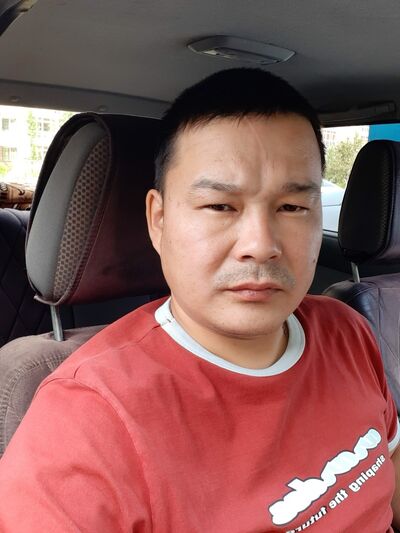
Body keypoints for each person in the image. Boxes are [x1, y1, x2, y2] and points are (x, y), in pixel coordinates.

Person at [0, 68, 399, 532]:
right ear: (159, 220)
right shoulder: (82, 424)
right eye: (220, 206)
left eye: (292, 207)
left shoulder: (345, 329)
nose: (260, 245)